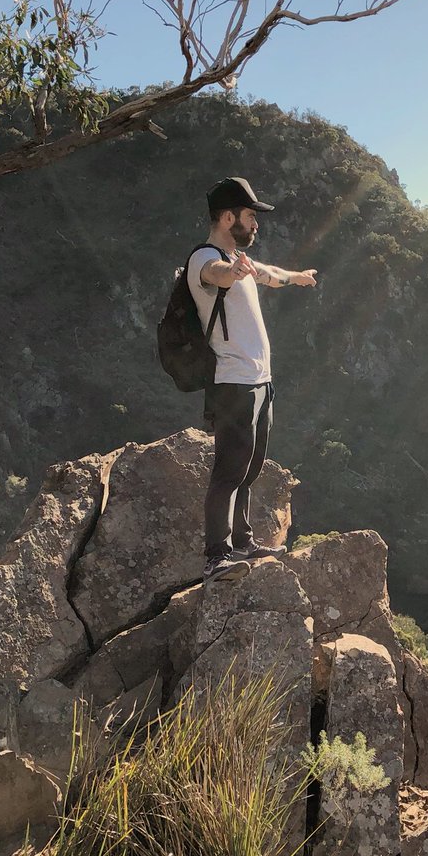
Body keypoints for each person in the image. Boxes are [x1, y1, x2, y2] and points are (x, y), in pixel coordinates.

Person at [187, 176, 318, 581]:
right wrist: (233, 273)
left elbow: (269, 273)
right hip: (233, 383)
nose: (256, 224)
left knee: (252, 466)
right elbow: (215, 275)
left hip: (260, 381)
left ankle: (243, 540)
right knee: (229, 469)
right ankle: (217, 556)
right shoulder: (206, 259)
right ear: (228, 217)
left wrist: (295, 277)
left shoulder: (239, 259)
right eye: (249, 216)